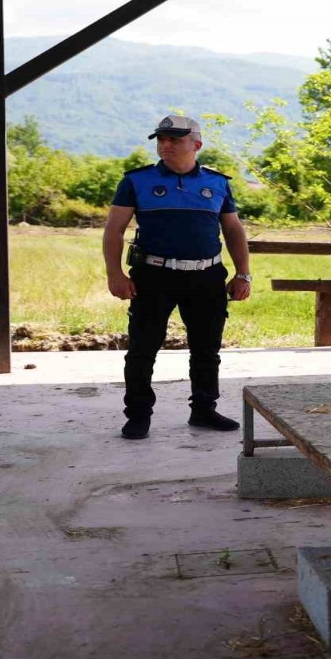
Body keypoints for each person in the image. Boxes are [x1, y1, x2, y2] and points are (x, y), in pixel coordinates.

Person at [103, 115, 253, 440]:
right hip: (153, 277)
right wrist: (115, 273)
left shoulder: (217, 183)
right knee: (143, 349)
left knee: (206, 350)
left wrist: (243, 274)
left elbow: (233, 230)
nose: (165, 145)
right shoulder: (136, 181)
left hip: (207, 276)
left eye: (174, 140)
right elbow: (114, 230)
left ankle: (203, 409)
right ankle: (138, 415)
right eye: (161, 139)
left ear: (196, 145)